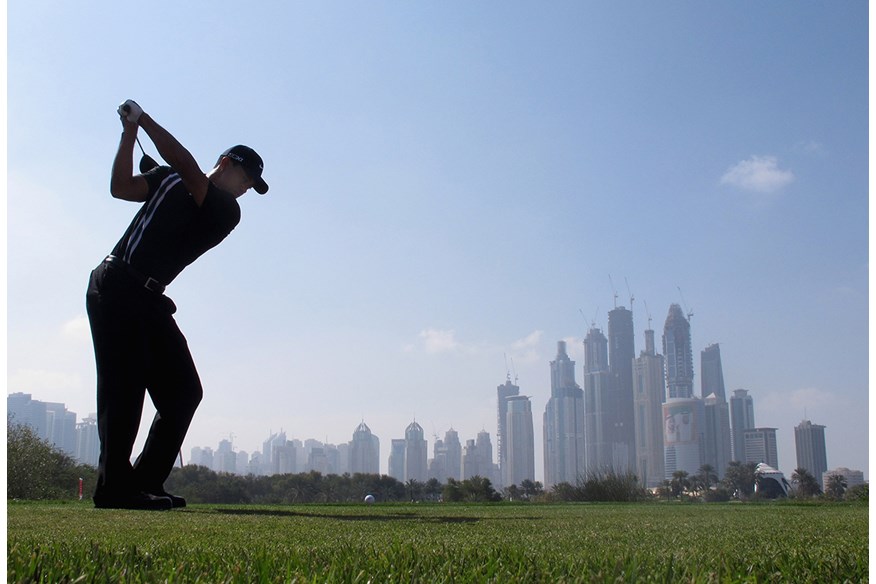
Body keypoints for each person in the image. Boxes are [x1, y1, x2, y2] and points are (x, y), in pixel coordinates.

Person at [86, 100, 269, 510]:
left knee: (184, 391)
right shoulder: (167, 179)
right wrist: (130, 132)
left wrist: (142, 119)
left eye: (252, 184)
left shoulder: (226, 211)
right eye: (246, 176)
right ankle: (114, 488)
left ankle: (146, 480)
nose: (246, 187)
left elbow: (187, 167)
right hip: (115, 284)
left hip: (148, 299)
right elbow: (120, 187)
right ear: (225, 162)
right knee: (125, 389)